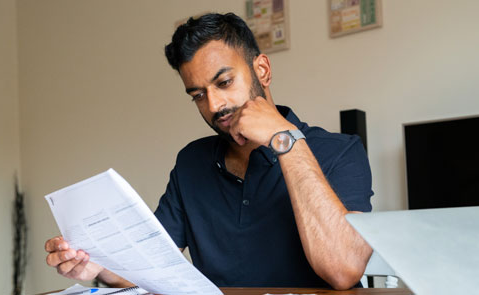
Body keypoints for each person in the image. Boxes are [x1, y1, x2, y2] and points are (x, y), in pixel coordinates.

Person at [45, 12, 373, 290]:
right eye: (197, 94)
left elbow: (343, 270)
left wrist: (283, 138)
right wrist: (95, 267)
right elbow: (150, 264)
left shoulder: (340, 152)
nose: (214, 105)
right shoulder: (192, 162)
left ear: (262, 71)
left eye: (224, 82)